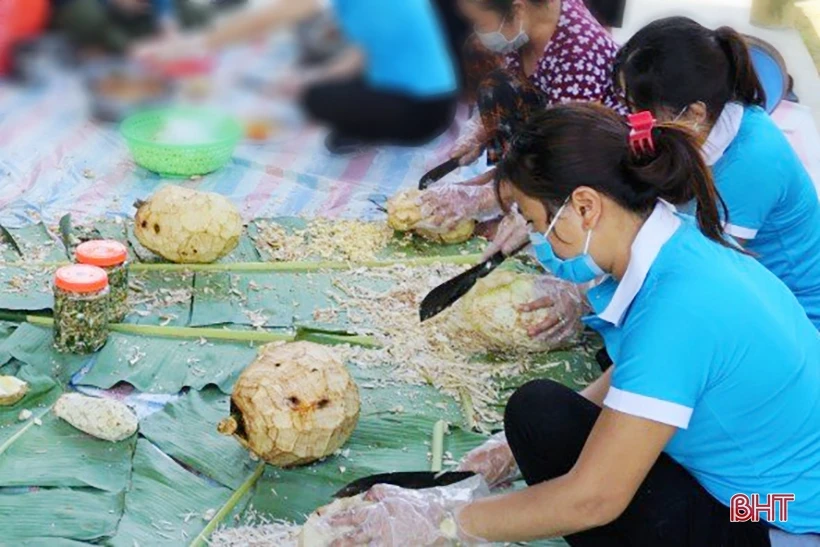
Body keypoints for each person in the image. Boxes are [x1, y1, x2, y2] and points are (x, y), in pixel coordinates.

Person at [309, 104, 820, 546]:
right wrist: (502, 457)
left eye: (534, 223)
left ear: (584, 206)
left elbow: (592, 500)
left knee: (595, 488)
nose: (535, 240)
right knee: (539, 415)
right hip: (777, 491)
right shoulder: (681, 244)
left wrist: (445, 522)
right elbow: (636, 370)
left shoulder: (679, 311)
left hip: (773, 516)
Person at [613, 17, 820, 329]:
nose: (634, 120)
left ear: (694, 112)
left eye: (640, 110)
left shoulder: (752, 161)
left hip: (797, 315)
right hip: (754, 289)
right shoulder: (706, 126)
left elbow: (706, 275)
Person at [420, 0, 626, 243]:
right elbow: (513, 90)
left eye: (481, 22)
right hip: (549, 125)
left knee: (545, 179)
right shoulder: (533, 20)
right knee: (497, 86)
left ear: (517, 8)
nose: (478, 31)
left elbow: (562, 152)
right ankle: (515, 190)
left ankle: (531, 211)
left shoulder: (580, 54)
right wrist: (480, 133)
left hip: (589, 156)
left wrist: (488, 196)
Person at [135, 0, 459, 153]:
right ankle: (364, 122)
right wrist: (315, 74)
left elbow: (267, 19)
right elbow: (368, 49)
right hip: (412, 93)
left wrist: (194, 45)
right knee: (316, 87)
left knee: (315, 100)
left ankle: (372, 129)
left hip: (423, 110)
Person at [51, 0, 210, 54]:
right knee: (83, 15)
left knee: (196, 14)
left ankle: (140, 43)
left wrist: (166, 21)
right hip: (100, 12)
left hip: (140, 15)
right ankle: (112, 43)